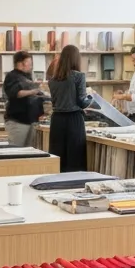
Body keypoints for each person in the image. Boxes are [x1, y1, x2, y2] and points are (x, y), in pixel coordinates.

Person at [47, 44, 93, 172]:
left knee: (58, 157)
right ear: (76, 59)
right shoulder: (79, 76)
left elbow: (54, 101)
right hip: (74, 119)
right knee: (75, 158)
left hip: (57, 120)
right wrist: (92, 98)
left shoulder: (52, 80)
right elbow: (82, 102)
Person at [2, 51, 45, 146]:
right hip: (18, 121)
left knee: (30, 153)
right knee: (16, 152)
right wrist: (33, 91)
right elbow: (15, 93)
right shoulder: (12, 76)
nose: (31, 66)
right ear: (21, 63)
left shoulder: (28, 76)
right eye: (29, 63)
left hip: (32, 120)